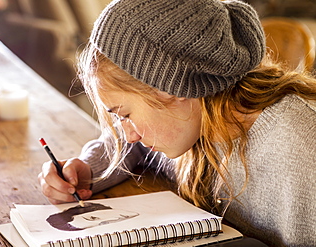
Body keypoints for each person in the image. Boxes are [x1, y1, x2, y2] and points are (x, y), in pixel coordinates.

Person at [38, 0, 316, 246]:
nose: (129, 134)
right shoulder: (191, 116)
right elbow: (132, 146)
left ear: (172, 89)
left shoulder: (301, 147)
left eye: (124, 115)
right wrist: (89, 169)